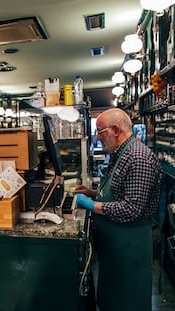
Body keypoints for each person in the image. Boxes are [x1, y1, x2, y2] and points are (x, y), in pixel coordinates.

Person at [74, 108, 161, 311]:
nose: (98, 137)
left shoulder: (138, 158)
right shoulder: (121, 153)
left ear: (115, 130)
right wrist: (92, 192)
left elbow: (131, 208)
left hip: (130, 245)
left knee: (128, 301)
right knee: (112, 300)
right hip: (116, 244)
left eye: (100, 132)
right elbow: (119, 190)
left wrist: (90, 205)